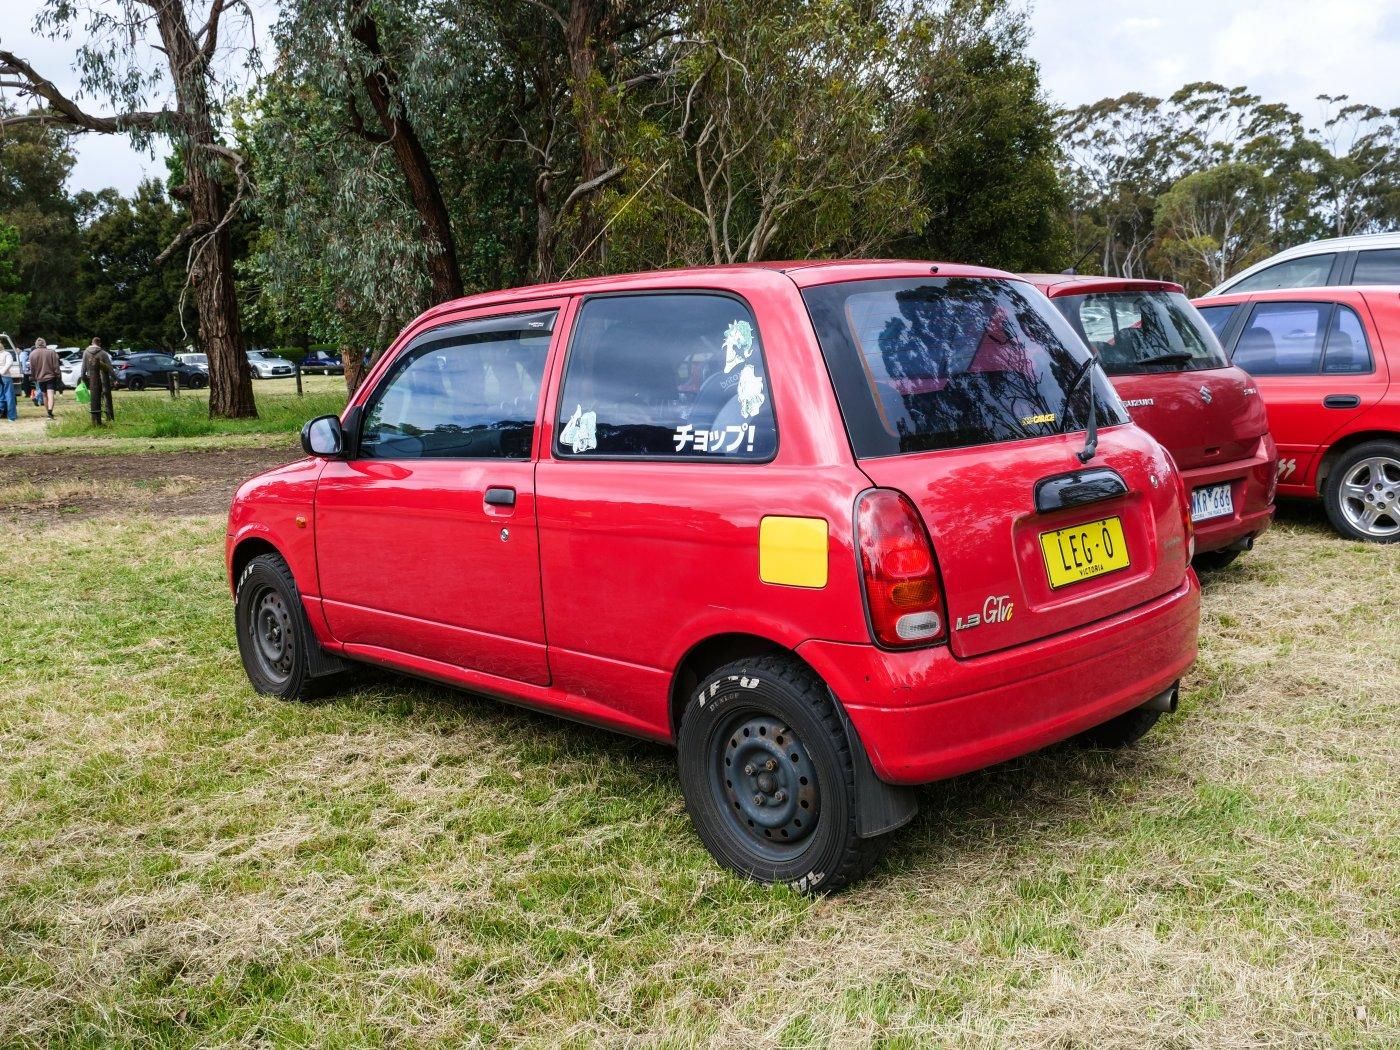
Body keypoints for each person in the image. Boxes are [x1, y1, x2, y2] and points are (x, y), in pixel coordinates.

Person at [81, 336, 116, 425]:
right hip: (103, 379)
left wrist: (83, 378)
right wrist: (115, 378)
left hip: (91, 379)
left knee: (94, 399)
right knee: (106, 397)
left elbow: (83, 367)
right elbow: (110, 367)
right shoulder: (103, 353)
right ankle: (108, 417)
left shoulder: (86, 352)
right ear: (99, 344)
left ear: (92, 343)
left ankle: (96, 419)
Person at [29, 338, 61, 418]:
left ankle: (48, 412)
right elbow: (56, 365)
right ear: (45, 344)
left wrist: (33, 376)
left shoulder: (32, 354)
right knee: (50, 395)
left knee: (44, 395)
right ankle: (50, 412)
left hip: (40, 378)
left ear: (36, 344)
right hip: (51, 377)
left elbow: (32, 368)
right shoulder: (51, 352)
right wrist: (58, 374)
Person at [0, 342, 18, 421]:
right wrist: (2, 372)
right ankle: (11, 416)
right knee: (10, 396)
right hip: (6, 376)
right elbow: (9, 363)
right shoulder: (7, 354)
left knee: (1, 396)